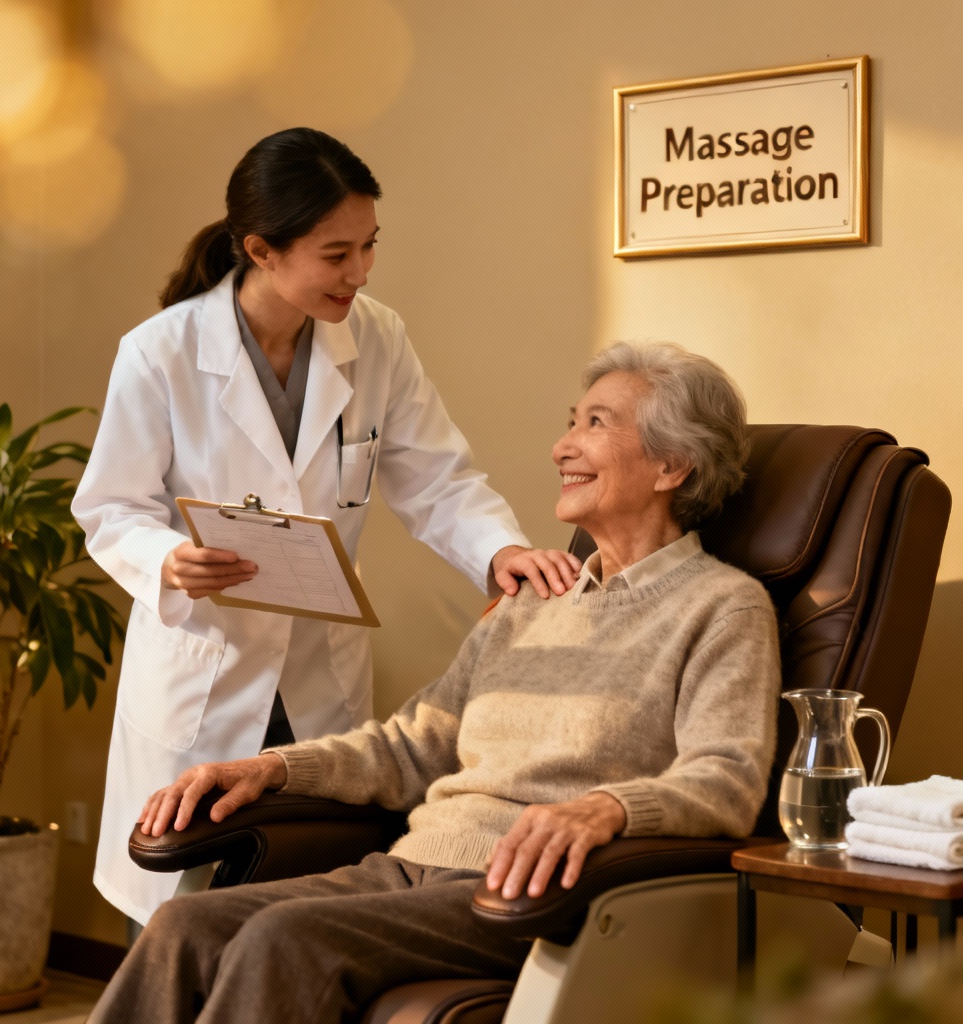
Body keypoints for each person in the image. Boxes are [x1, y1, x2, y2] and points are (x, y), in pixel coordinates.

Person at [85, 340, 782, 1024]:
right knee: (183, 924)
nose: (562, 447)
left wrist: (608, 809)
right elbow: (413, 746)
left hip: (530, 889)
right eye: (571, 421)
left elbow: (727, 777)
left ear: (672, 465)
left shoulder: (722, 605)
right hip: (412, 865)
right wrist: (270, 769)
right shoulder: (536, 598)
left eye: (595, 424)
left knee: (281, 942)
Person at [71, 127, 582, 926]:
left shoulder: (376, 337)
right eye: (335, 254)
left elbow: (436, 475)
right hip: (207, 669)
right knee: (181, 919)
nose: (361, 272)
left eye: (369, 247)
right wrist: (169, 558)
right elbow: (110, 507)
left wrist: (501, 550)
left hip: (318, 677)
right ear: (262, 250)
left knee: (299, 912)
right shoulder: (161, 354)